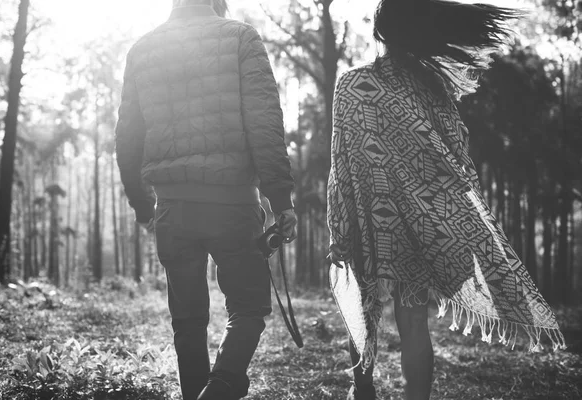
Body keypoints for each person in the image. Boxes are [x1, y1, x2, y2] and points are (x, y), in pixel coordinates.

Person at [327, 1, 566, 399]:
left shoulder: (351, 85)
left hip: (366, 218)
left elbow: (340, 161)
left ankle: (361, 391)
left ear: (379, 31)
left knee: (360, 304)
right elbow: (457, 153)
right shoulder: (431, 90)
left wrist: (339, 223)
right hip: (420, 224)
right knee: (413, 321)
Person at [115, 0, 297, 399]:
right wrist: (280, 198)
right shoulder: (240, 37)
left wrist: (143, 205)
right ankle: (221, 387)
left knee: (188, 320)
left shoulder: (143, 48)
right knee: (249, 308)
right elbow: (265, 122)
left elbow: (128, 137)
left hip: (172, 206)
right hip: (232, 204)